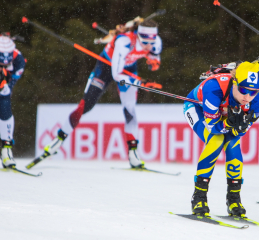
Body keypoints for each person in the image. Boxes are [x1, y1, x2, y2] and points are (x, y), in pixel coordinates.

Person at [31, 19, 162, 168]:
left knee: (130, 109)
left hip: (130, 69)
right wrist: (141, 83)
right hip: (106, 67)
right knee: (86, 105)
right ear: (138, 35)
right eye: (145, 40)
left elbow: (154, 59)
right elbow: (117, 75)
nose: (148, 45)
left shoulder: (156, 43)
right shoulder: (124, 42)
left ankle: (133, 154)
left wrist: (153, 63)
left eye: (151, 41)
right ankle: (58, 140)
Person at [184, 60, 259, 216]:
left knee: (233, 143)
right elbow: (213, 127)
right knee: (216, 140)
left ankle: (234, 198)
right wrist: (228, 123)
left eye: (253, 92)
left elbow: (240, 132)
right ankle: (199, 196)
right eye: (243, 90)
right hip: (197, 108)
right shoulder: (214, 89)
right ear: (234, 82)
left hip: (222, 114)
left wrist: (238, 129)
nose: (247, 97)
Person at [0, 34, 26, 168]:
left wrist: (7, 82)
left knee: (5, 108)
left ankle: (6, 149)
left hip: (3, 86)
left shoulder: (19, 60)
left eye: (5, 64)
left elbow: (11, 82)